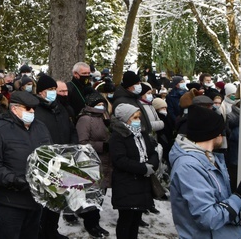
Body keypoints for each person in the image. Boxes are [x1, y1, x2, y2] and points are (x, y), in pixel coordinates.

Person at [170, 105, 241, 238]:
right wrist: (239, 197)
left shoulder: (210, 157)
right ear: (215, 133)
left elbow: (218, 198)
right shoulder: (189, 166)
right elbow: (208, 217)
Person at [0, 91, 52, 239]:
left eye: (34, 108)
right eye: (28, 109)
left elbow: (49, 154)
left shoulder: (40, 127)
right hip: (10, 202)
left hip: (35, 200)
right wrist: (15, 180)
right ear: (14, 109)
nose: (32, 111)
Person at [33, 75, 79, 239]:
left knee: (57, 199)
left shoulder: (61, 109)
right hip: (45, 164)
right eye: (49, 90)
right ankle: (40, 232)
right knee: (44, 202)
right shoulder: (36, 111)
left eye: (54, 89)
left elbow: (72, 130)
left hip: (63, 161)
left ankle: (51, 230)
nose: (53, 93)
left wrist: (73, 148)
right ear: (40, 92)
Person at [108, 104, 158, 239]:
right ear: (125, 119)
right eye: (134, 117)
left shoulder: (142, 134)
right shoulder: (117, 137)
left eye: (139, 117)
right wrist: (143, 168)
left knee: (136, 219)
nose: (138, 120)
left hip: (142, 182)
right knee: (126, 220)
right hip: (126, 183)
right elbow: (120, 160)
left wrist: (152, 165)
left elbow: (152, 152)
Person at [76, 93, 112, 237]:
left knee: (101, 194)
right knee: (92, 195)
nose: (101, 106)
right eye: (98, 104)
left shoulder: (104, 117)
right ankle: (91, 223)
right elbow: (82, 142)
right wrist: (103, 146)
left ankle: (95, 221)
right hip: (91, 163)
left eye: (102, 104)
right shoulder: (85, 119)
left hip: (105, 162)